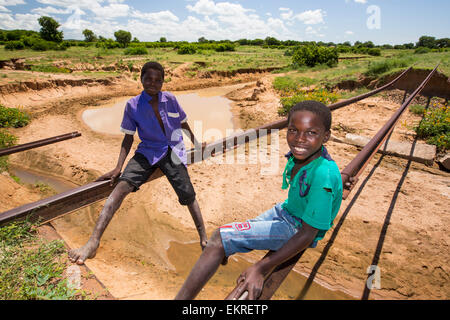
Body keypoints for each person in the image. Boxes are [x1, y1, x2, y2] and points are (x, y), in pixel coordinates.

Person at [175, 100, 343, 300]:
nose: (300, 139)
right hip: (286, 211)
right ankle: (222, 251)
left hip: (297, 228)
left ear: (326, 137)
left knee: (220, 237)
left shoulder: (324, 174)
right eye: (293, 130)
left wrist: (261, 268)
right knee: (228, 236)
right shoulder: (307, 157)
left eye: (311, 132)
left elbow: (307, 234)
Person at [69, 61, 207, 265]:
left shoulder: (170, 99)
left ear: (163, 82)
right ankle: (93, 242)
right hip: (148, 150)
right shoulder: (132, 105)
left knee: (187, 193)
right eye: (148, 79)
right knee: (121, 187)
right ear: (141, 79)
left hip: (173, 150)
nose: (153, 83)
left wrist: (196, 143)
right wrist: (118, 167)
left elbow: (182, 123)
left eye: (158, 80)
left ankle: (204, 237)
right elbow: (128, 138)